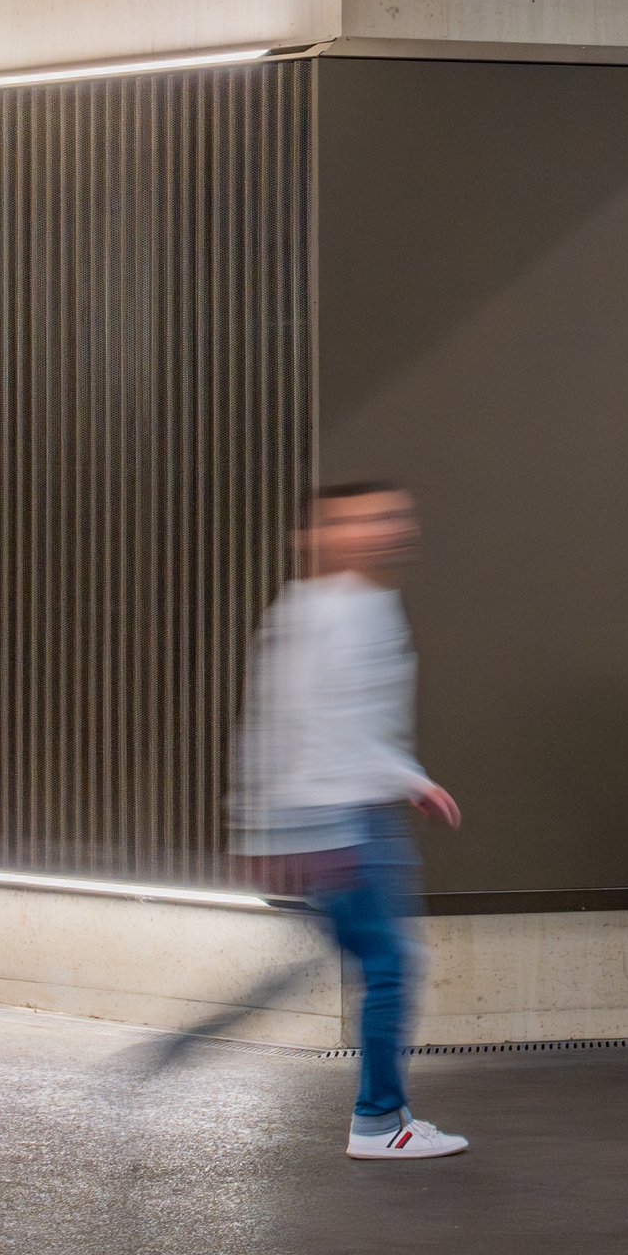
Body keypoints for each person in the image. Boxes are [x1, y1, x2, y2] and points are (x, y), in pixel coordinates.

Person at [230, 480, 466, 1160]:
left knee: (385, 960)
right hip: (338, 818)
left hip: (363, 809)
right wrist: (285, 831)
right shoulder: (318, 614)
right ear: (319, 534)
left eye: (389, 515)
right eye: (357, 520)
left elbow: (357, 721)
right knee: (391, 963)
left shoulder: (369, 604)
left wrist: (407, 779)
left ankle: (383, 1114)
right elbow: (287, 726)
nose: (380, 529)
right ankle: (378, 1120)